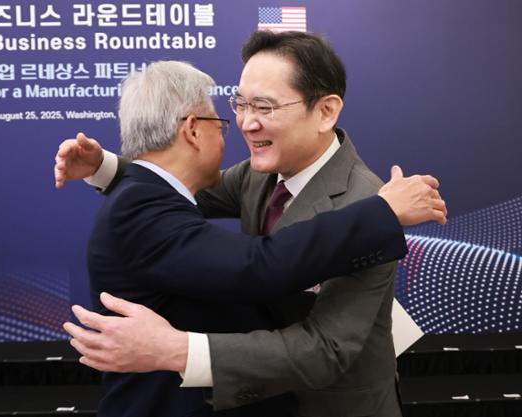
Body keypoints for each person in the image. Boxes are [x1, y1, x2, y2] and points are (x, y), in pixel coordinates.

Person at [61, 33, 447, 417]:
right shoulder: (258, 174)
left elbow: (326, 349)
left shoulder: (368, 205)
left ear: (325, 111)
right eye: (240, 104)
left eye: (264, 106)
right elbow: (176, 185)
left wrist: (176, 349)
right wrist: (105, 168)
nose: (246, 123)